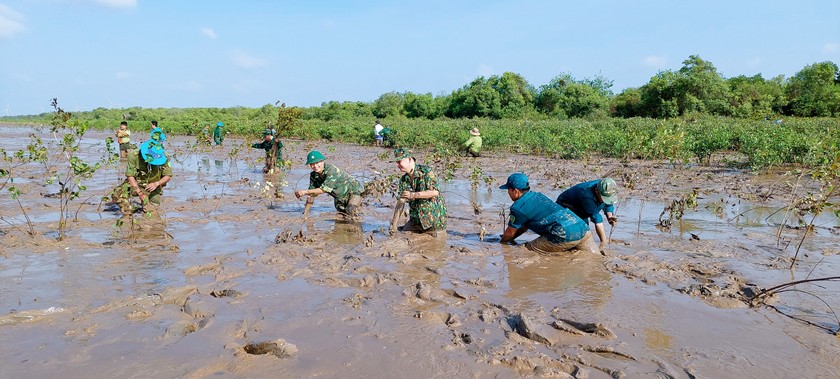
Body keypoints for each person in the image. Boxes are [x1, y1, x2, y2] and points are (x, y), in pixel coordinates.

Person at [499, 173, 597, 254]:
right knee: (595, 258)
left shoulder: (518, 208)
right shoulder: (537, 195)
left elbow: (510, 232)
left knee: (526, 250)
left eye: (508, 190)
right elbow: (524, 227)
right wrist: (512, 238)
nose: (508, 193)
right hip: (582, 228)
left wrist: (502, 243)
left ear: (515, 191)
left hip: (563, 233)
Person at [110, 128, 172, 214]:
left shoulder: (164, 156)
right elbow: (130, 176)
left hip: (153, 187)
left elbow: (168, 176)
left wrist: (156, 184)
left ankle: (145, 206)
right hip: (136, 184)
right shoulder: (134, 156)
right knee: (117, 195)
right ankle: (128, 212)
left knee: (151, 212)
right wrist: (139, 193)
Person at [294, 150, 363, 219]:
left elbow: (324, 190)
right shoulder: (313, 175)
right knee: (341, 216)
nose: (315, 166)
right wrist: (305, 214)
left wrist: (304, 192)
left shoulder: (331, 170)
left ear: (322, 161)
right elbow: (311, 195)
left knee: (350, 211)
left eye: (317, 163)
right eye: (312, 164)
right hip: (339, 197)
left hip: (354, 191)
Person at [392, 148, 447, 234]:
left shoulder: (426, 172)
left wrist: (413, 195)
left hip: (432, 220)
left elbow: (434, 192)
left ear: (409, 159)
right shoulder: (404, 180)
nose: (398, 165)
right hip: (415, 220)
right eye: (396, 162)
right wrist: (393, 225)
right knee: (402, 234)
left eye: (399, 162)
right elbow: (401, 202)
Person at [555, 178, 618, 251]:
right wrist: (603, 241)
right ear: (597, 191)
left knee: (584, 233)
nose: (605, 200)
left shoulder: (606, 189)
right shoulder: (586, 194)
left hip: (582, 207)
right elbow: (596, 218)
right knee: (579, 233)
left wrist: (610, 216)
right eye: (604, 198)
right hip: (566, 206)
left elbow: (608, 203)